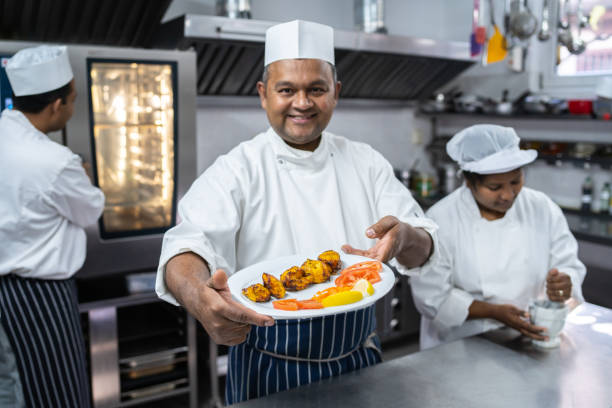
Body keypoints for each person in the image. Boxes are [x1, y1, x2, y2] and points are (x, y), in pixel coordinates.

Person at [156, 20, 437, 404]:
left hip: (358, 357)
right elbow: (185, 248)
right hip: (267, 365)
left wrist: (405, 236)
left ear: (335, 93)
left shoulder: (366, 162)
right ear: (263, 94)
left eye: (316, 89)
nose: (302, 103)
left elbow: (423, 245)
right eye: (286, 89)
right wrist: (199, 299)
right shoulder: (237, 168)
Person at [410, 124, 586, 350]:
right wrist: (495, 312)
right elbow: (432, 297)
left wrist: (564, 284)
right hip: (461, 344)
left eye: (515, 182)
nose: (508, 195)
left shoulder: (541, 207)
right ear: (469, 182)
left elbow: (568, 264)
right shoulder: (440, 219)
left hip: (529, 335)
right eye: (495, 187)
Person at [0, 45, 105, 407]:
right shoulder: (55, 162)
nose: (73, 108)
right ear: (57, 105)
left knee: (17, 390)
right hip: (40, 296)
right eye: (73, 100)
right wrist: (86, 180)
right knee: (57, 393)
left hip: (5, 293)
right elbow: (90, 211)